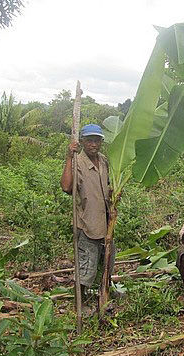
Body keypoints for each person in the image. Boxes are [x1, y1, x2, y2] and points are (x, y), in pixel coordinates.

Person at [60, 123, 115, 305]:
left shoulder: (104, 160)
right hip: (87, 223)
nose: (94, 144)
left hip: (106, 222)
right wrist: (69, 157)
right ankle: (79, 301)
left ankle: (104, 294)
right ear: (82, 142)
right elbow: (66, 187)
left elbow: (108, 185)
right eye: (90, 140)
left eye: (97, 140)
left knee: (107, 262)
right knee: (86, 266)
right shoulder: (78, 162)